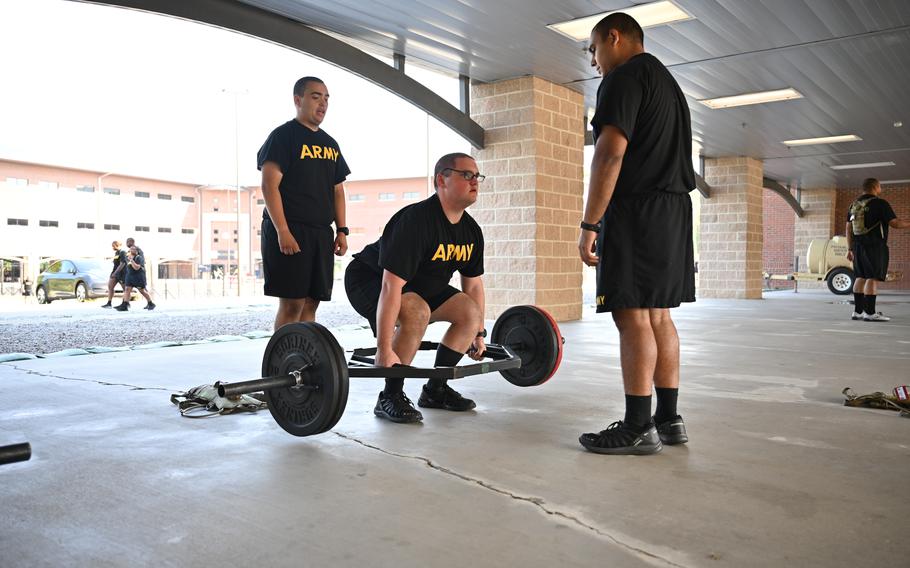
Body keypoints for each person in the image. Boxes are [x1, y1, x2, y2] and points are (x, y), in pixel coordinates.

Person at [576, 13, 696, 455]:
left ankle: (637, 425)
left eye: (593, 49)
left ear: (614, 37)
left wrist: (590, 223)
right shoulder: (668, 83)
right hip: (673, 210)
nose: (594, 61)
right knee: (659, 316)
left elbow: (609, 155)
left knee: (631, 316)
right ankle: (668, 419)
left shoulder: (624, 77)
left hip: (638, 210)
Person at [344, 152, 487, 423]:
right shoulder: (416, 221)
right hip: (369, 279)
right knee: (416, 310)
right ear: (441, 180)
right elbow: (389, 286)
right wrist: (384, 347)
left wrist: (478, 334)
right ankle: (390, 396)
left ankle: (436, 389)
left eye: (477, 176)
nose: (475, 181)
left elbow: (474, 286)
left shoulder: (471, 231)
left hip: (420, 287)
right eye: (466, 175)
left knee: (469, 312)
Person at [257, 76, 350, 331]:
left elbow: (338, 191)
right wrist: (283, 231)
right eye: (315, 96)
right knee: (292, 304)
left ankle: (305, 363)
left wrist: (342, 230)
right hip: (291, 231)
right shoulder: (282, 137)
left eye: (327, 97)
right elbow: (269, 186)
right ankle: (280, 364)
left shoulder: (330, 144)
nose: (323, 103)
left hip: (320, 232)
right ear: (298, 100)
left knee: (311, 303)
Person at [846, 178, 910, 322]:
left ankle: (857, 312)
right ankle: (870, 313)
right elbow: (895, 223)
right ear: (875, 187)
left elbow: (848, 228)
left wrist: (850, 248)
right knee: (872, 277)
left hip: (857, 247)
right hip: (875, 246)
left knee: (860, 277)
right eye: (880, 186)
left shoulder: (853, 205)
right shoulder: (880, 204)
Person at [114, 245, 156, 311]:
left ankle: (150, 303)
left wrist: (132, 260)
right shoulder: (128, 257)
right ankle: (125, 305)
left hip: (138, 277)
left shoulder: (139, 258)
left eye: (133, 249)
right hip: (130, 276)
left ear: (137, 251)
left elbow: (136, 268)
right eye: (131, 249)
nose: (131, 250)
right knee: (127, 289)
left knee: (142, 291)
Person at [101, 240, 127, 308]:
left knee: (125, 289)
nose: (112, 247)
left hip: (122, 274)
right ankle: (109, 303)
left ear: (117, 245)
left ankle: (124, 304)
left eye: (113, 246)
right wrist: (114, 273)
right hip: (114, 272)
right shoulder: (116, 253)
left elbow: (122, 264)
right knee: (110, 287)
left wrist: (116, 273)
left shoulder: (123, 252)